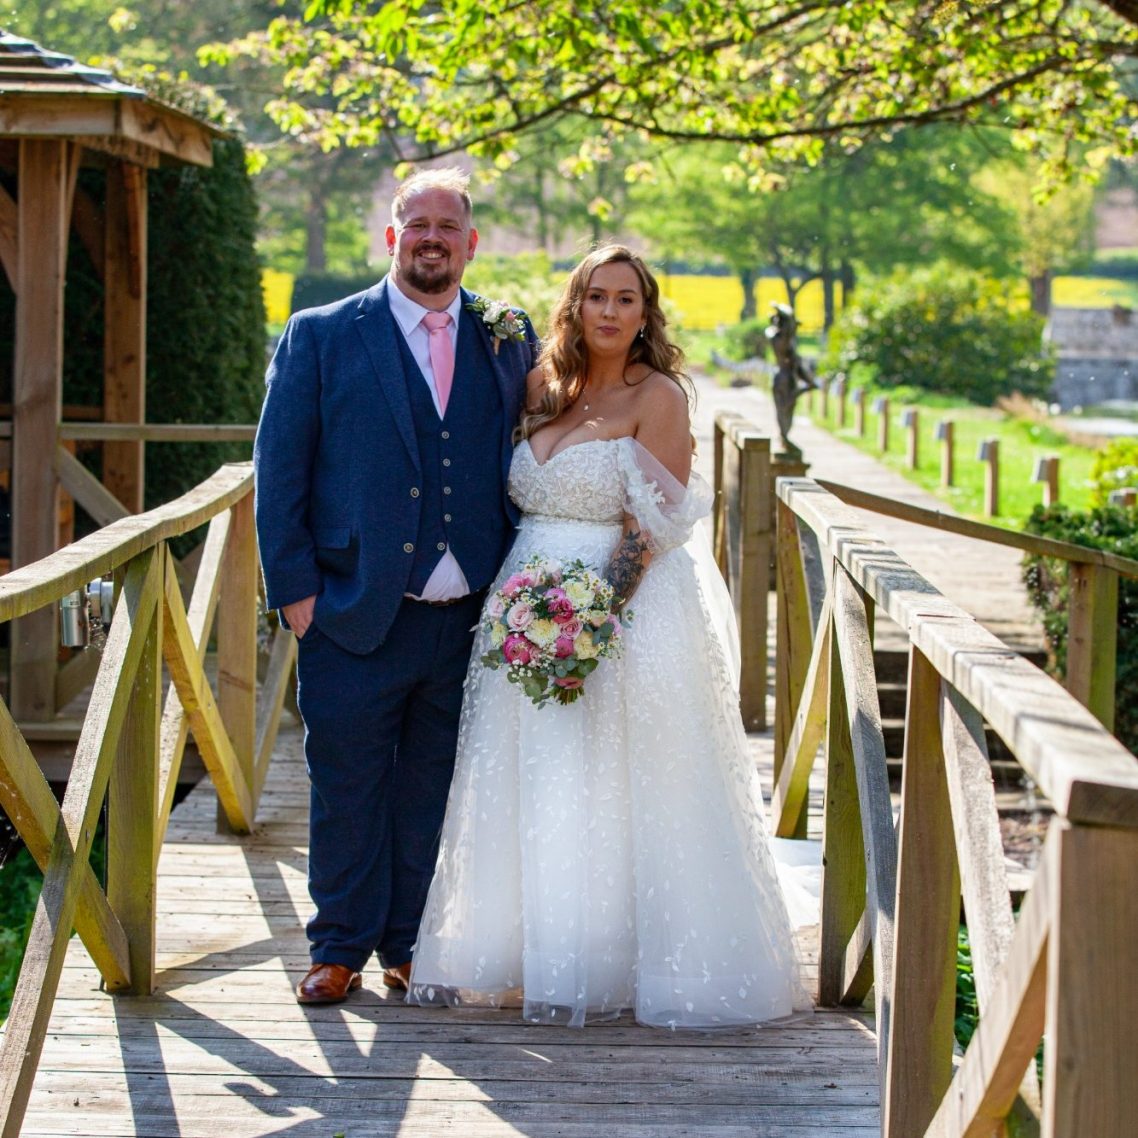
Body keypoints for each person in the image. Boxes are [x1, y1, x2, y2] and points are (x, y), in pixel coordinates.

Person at [408, 245, 805, 1028]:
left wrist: (588, 623)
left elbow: (652, 527)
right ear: (576, 306)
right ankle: (535, 950)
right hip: (521, 603)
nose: (611, 312)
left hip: (618, 609)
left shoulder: (659, 398)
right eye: (598, 296)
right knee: (536, 777)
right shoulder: (540, 386)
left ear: (646, 313)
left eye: (628, 299)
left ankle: (617, 959)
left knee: (614, 777)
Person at [254, 167, 538, 1005]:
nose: (432, 239)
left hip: (468, 617)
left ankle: (408, 944)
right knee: (346, 784)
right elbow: (280, 469)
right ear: (392, 237)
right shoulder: (322, 334)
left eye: (448, 227)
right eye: (417, 225)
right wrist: (294, 591)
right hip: (351, 607)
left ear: (470, 243)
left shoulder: (507, 338)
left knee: (432, 789)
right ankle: (338, 946)